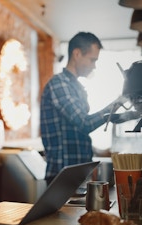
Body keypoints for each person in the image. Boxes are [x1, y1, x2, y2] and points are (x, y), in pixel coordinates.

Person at [40, 32, 138, 184]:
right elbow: (84, 124)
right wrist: (117, 103)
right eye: (92, 60)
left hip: (78, 171)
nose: (94, 66)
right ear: (77, 53)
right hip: (62, 174)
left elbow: (75, 133)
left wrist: (98, 151)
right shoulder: (59, 83)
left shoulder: (77, 87)